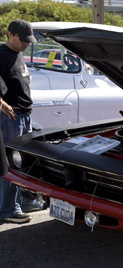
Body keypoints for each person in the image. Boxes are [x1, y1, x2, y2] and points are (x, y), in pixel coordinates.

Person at [0, 19, 39, 223]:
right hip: (11, 117)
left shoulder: (18, 54)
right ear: (10, 35)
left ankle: (21, 202)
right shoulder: (1, 54)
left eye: (28, 40)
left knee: (23, 163)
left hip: (24, 116)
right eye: (23, 40)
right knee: (11, 165)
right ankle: (8, 210)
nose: (26, 44)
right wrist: (1, 104)